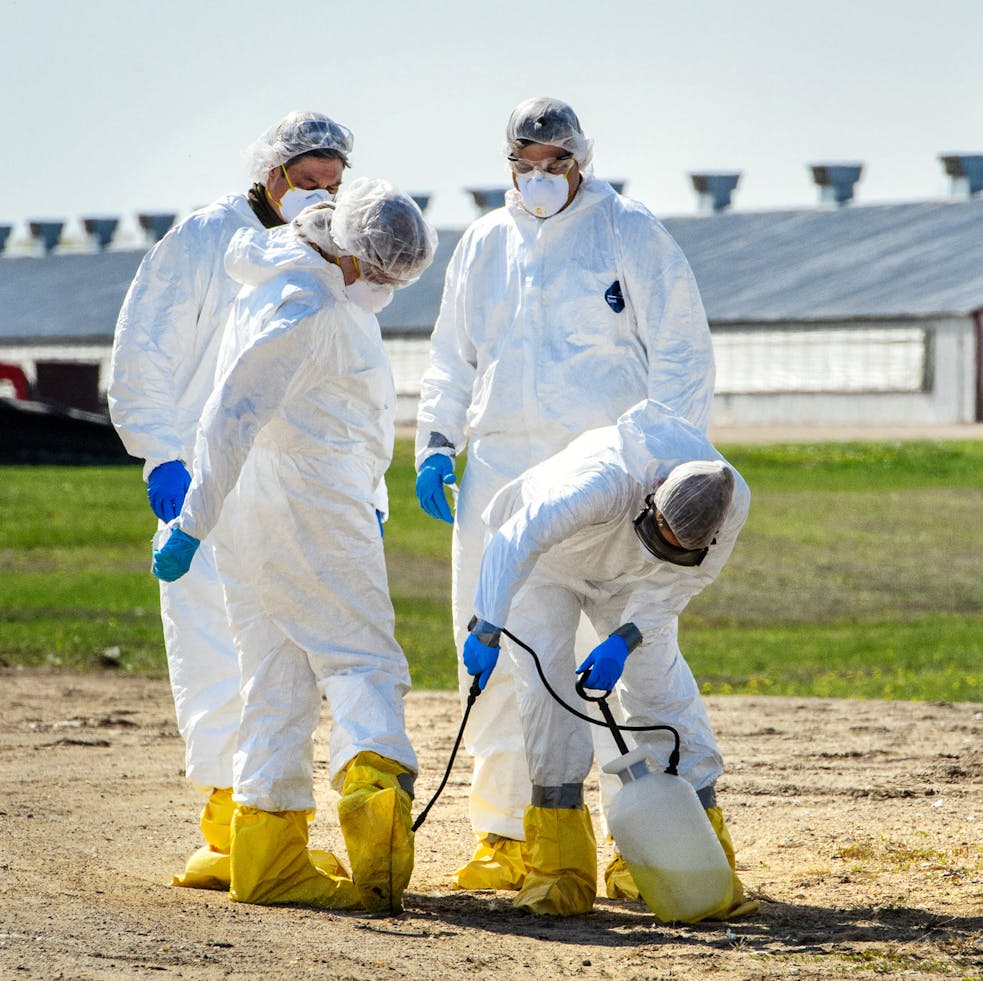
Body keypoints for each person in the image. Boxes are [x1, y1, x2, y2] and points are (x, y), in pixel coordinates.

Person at [413, 97, 715, 894]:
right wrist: (437, 443)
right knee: (506, 657)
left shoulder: (631, 233)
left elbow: (682, 354)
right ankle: (508, 833)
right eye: (526, 164)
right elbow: (452, 356)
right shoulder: (483, 243)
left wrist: (670, 466)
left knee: (641, 659)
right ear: (508, 164)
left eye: (556, 162)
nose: (541, 177)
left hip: (614, 478)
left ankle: (652, 837)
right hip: (501, 478)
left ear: (583, 158)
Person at [150, 178, 437, 915]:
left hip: (259, 509)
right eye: (381, 273)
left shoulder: (284, 277)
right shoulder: (306, 306)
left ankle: (270, 853)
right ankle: (377, 830)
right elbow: (229, 416)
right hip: (311, 501)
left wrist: (207, 520)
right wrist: (189, 523)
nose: (383, 288)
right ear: (354, 253)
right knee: (363, 660)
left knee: (275, 671)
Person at [108, 111, 354, 890]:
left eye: (333, 186)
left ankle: (268, 816)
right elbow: (143, 350)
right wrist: (160, 457)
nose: (320, 196)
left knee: (283, 651)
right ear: (273, 173)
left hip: (285, 482)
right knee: (215, 646)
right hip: (199, 479)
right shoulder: (201, 239)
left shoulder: (319, 249)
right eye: (309, 181)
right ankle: (228, 824)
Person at [459, 399, 756, 917]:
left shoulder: (731, 506)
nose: (664, 545)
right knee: (547, 693)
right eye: (658, 535)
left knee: (663, 695)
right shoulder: (600, 483)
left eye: (676, 546)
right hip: (548, 566)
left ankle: (692, 858)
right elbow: (514, 540)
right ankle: (559, 870)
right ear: (650, 502)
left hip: (639, 585)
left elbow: (686, 580)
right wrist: (487, 627)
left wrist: (627, 637)